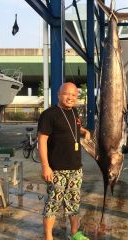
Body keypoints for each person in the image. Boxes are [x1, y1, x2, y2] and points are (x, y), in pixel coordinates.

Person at [38, 82, 91, 240]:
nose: (71, 98)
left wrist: (85, 131)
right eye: (67, 94)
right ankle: (48, 236)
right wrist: (45, 166)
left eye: (74, 95)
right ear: (59, 94)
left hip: (75, 168)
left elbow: (75, 127)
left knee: (74, 202)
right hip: (57, 169)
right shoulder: (49, 115)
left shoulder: (74, 112)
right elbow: (42, 142)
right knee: (53, 204)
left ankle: (75, 234)